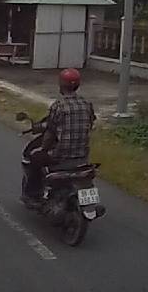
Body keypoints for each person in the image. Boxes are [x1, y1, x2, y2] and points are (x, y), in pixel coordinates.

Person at [22, 67, 95, 205]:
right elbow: (90, 124)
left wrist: (43, 149)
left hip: (61, 156)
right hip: (82, 156)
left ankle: (33, 195)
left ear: (61, 84)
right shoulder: (87, 104)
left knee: (34, 158)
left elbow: (50, 132)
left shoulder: (59, 106)